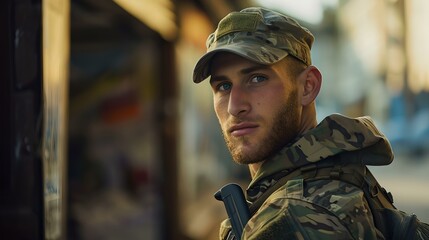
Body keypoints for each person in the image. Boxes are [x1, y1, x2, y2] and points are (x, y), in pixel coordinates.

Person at [192, 7, 427, 240]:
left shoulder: (295, 218)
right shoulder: (336, 172)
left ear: (308, 86)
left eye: (257, 78)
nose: (235, 106)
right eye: (223, 86)